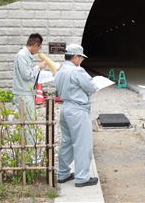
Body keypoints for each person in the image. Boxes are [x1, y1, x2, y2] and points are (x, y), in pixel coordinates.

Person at [54, 44, 99, 187]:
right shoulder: (77, 71)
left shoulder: (60, 71)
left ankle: (63, 173)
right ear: (75, 57)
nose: (81, 61)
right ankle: (82, 177)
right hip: (78, 110)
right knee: (82, 144)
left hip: (66, 107)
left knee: (66, 142)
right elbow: (91, 87)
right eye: (81, 58)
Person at [12, 33, 47, 144]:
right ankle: (30, 154)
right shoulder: (22, 55)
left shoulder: (25, 55)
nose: (38, 50)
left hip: (26, 92)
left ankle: (28, 150)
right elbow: (26, 75)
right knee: (28, 123)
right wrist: (38, 67)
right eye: (39, 47)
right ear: (36, 45)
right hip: (23, 93)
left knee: (28, 122)